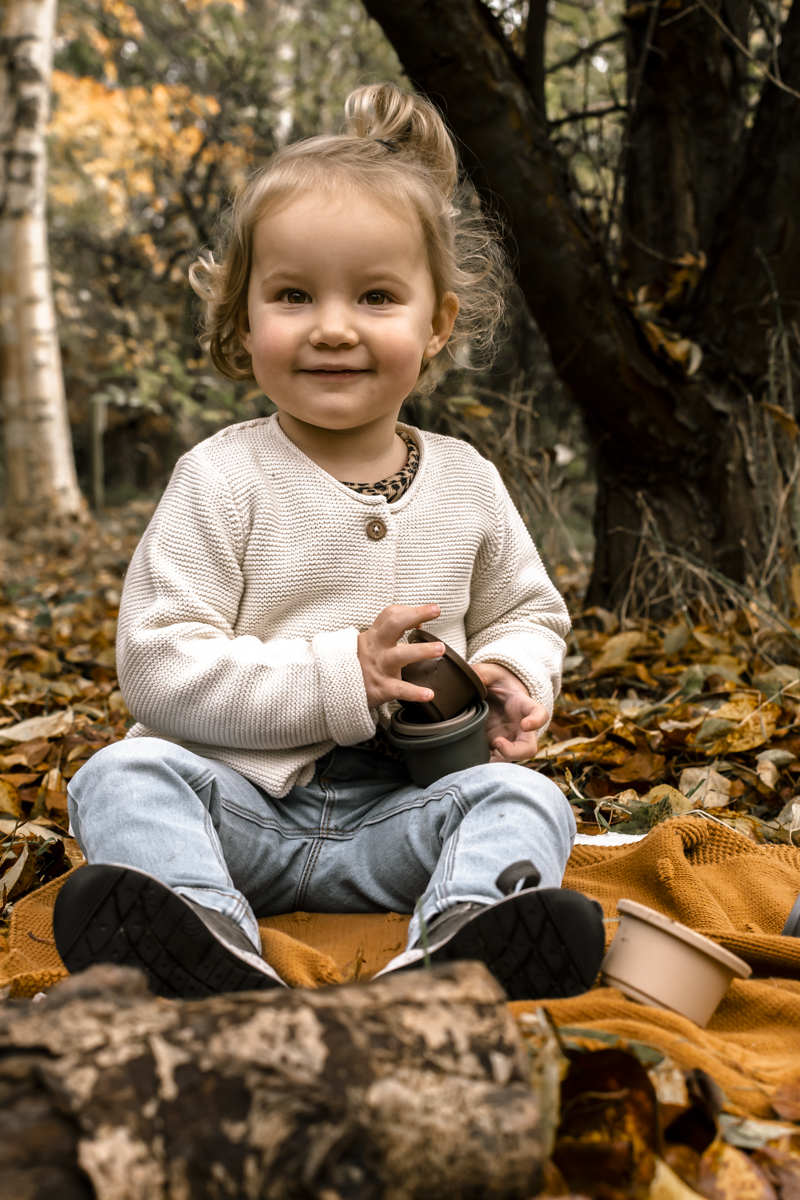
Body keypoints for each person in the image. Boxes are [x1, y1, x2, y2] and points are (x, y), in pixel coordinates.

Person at [53, 83, 604, 1000]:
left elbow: (527, 609)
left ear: (436, 326)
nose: (334, 327)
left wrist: (514, 671)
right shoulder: (221, 479)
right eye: (295, 295)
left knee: (530, 802)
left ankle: (460, 939)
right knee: (121, 774)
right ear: (243, 321)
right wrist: (341, 675)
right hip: (237, 809)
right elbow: (155, 663)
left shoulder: (468, 480)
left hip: (405, 815)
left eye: (377, 296)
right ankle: (198, 930)